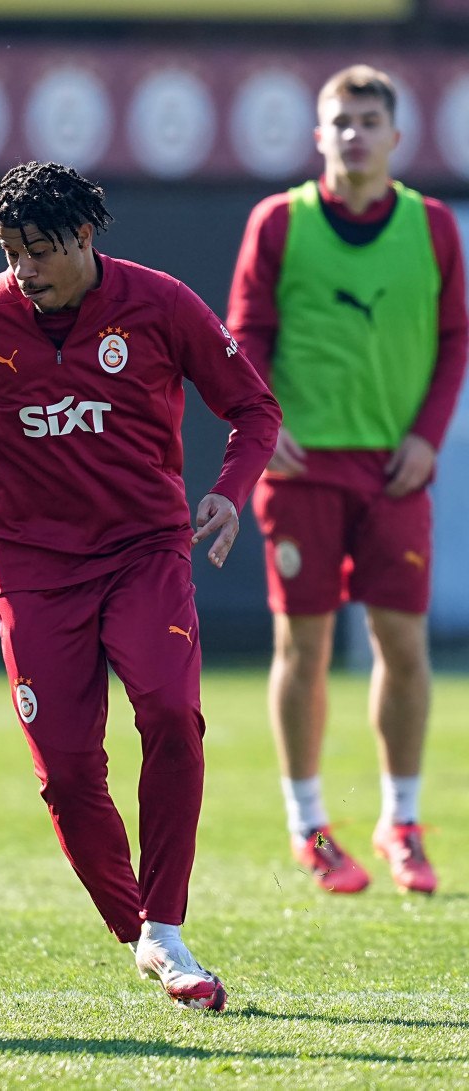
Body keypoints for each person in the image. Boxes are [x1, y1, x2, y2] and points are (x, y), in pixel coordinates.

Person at [0, 161, 280, 1011]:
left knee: (170, 714)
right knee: (66, 769)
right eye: (14, 252)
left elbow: (254, 410)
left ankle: (164, 927)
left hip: (146, 552)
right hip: (32, 568)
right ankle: (139, 930)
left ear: (87, 237)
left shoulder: (160, 303)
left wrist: (228, 492)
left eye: (42, 251)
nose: (26, 269)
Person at [227, 65, 468, 896]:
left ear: (397, 137)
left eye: (370, 120)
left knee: (402, 645)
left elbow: (454, 340)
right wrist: (268, 422)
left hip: (396, 470)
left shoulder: (432, 227)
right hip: (302, 468)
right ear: (318, 135)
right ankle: (309, 826)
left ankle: (401, 821)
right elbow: (244, 337)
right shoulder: (280, 223)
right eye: (341, 121)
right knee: (307, 644)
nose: (355, 134)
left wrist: (430, 438)